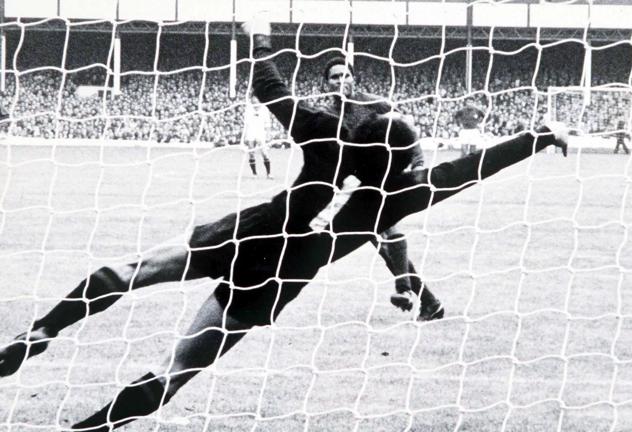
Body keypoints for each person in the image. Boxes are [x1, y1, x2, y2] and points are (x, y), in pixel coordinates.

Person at [0, 112, 569, 432]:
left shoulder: (329, 150)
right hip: (274, 282)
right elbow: (471, 169)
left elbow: (280, 96)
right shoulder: (404, 195)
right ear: (403, 159)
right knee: (174, 371)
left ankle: (39, 335)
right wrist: (536, 137)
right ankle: (88, 430)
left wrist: (262, 43)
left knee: (118, 272)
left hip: (242, 235)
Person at [320, 55, 441, 318]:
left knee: (385, 232)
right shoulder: (328, 115)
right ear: (326, 84)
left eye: (346, 75)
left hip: (384, 178)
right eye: (335, 77)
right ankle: (427, 301)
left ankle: (407, 289)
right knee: (381, 242)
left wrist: (418, 162)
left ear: (354, 78)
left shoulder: (374, 103)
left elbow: (406, 128)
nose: (342, 81)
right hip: (355, 185)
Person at [242, 96, 273, 178]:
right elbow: (246, 124)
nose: (255, 104)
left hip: (261, 133)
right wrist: (245, 135)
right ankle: (254, 174)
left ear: (259, 101)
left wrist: (268, 135)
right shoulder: (248, 110)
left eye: (256, 102)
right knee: (251, 153)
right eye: (253, 102)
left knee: (264, 153)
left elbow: (268, 124)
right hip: (250, 133)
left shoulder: (264, 109)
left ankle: (269, 173)